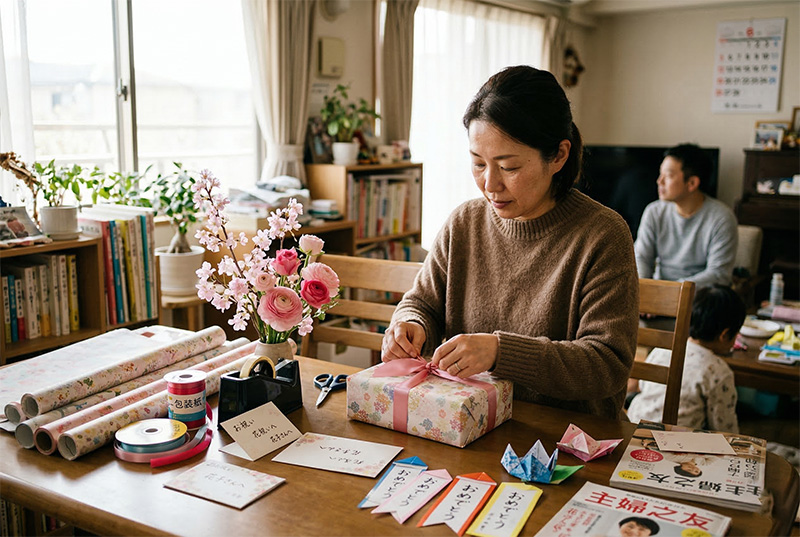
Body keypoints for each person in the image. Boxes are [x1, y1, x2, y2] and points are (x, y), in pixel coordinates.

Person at [380, 66, 640, 420]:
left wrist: (502, 352)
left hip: (565, 437)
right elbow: (423, 303)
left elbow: (607, 365)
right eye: (478, 164)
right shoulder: (464, 223)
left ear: (559, 156)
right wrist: (410, 325)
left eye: (509, 167)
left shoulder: (603, 235)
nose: (490, 184)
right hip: (468, 424)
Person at [627, 284, 746, 432]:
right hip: (677, 442)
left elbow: (643, 386)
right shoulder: (719, 371)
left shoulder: (661, 350)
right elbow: (723, 428)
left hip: (634, 428)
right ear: (725, 335)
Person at [634, 143, 738, 288]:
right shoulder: (654, 211)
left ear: (692, 183)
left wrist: (670, 294)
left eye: (668, 176)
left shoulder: (721, 218)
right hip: (658, 294)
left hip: (700, 299)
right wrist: (644, 293)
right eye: (660, 174)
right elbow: (641, 258)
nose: (659, 181)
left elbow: (718, 274)